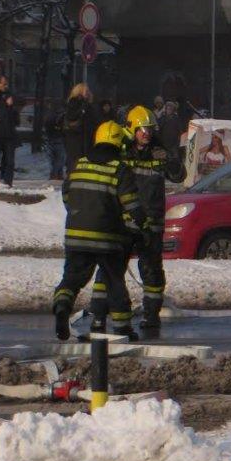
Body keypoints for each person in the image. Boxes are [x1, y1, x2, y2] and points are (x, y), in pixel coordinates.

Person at [93, 106, 184, 337]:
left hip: (150, 225)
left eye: (150, 129)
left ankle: (151, 316)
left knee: (152, 271)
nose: (147, 133)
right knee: (110, 270)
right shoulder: (121, 151)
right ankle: (98, 316)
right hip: (123, 224)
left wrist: (171, 159)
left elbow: (179, 176)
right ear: (131, 129)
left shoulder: (158, 151)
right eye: (143, 129)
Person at [52, 121, 142, 341]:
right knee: (114, 282)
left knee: (71, 279)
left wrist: (79, 215)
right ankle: (121, 328)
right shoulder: (119, 169)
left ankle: (62, 305)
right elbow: (132, 205)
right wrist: (143, 227)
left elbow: (66, 195)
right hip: (108, 237)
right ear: (119, 144)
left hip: (76, 235)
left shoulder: (79, 164)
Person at [63, 83, 99, 172]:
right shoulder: (74, 103)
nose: (87, 92)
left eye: (88, 90)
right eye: (85, 90)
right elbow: (71, 117)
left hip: (87, 138)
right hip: (76, 139)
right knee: (75, 163)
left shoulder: (89, 105)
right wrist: (82, 110)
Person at [43, 100, 66, 179]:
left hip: (51, 139)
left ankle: (56, 174)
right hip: (59, 139)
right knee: (60, 159)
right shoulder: (62, 116)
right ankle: (57, 174)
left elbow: (47, 127)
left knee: (54, 159)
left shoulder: (49, 116)